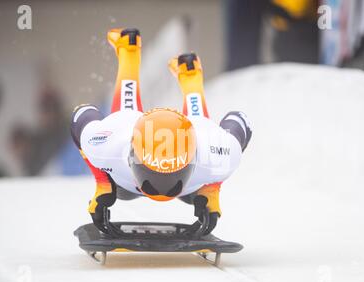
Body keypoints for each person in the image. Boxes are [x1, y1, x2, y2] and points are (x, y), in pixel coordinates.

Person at [70, 28, 251, 237]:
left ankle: (188, 77)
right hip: (138, 154)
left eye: (171, 177)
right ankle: (132, 54)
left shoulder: (215, 151)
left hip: (173, 173)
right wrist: (102, 182)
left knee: (200, 126)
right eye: (153, 175)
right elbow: (81, 114)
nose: (162, 190)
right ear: (131, 155)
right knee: (126, 116)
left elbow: (81, 115)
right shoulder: (111, 142)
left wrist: (212, 188)